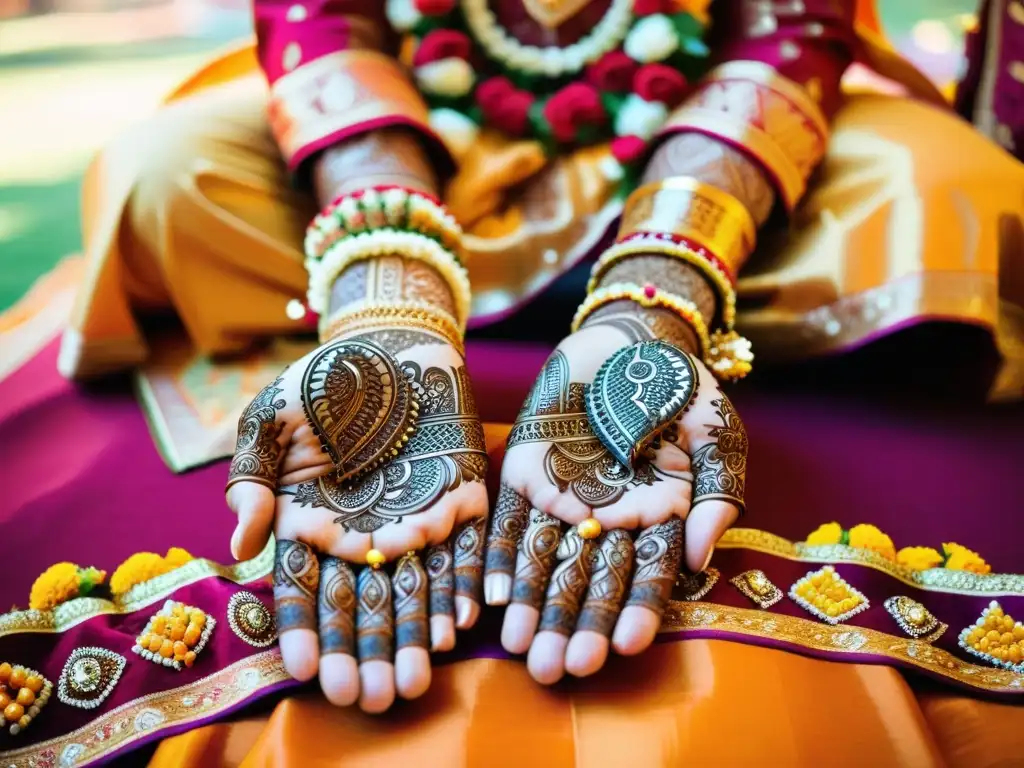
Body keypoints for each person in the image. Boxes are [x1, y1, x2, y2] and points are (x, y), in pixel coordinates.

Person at [4, 0, 1022, 765]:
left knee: (945, 194)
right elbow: (315, 17)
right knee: (162, 170)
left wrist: (650, 302)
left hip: (703, 146)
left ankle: (617, 287)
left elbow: (790, 28)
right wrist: (386, 306)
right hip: (412, 139)